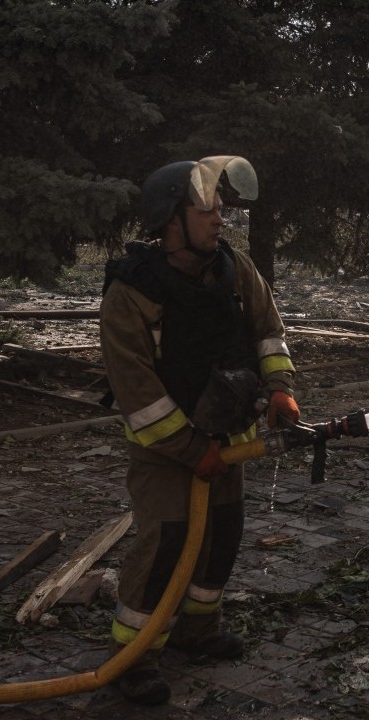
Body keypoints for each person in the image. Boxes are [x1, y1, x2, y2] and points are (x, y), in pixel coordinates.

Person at [99, 156, 299, 705]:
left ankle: (196, 631)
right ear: (170, 220)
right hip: (165, 455)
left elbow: (268, 332)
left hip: (228, 444)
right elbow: (137, 392)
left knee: (222, 535)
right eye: (207, 210)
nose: (220, 221)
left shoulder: (235, 270)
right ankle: (133, 658)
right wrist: (190, 450)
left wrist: (280, 389)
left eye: (221, 210)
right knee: (166, 545)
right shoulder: (131, 293)